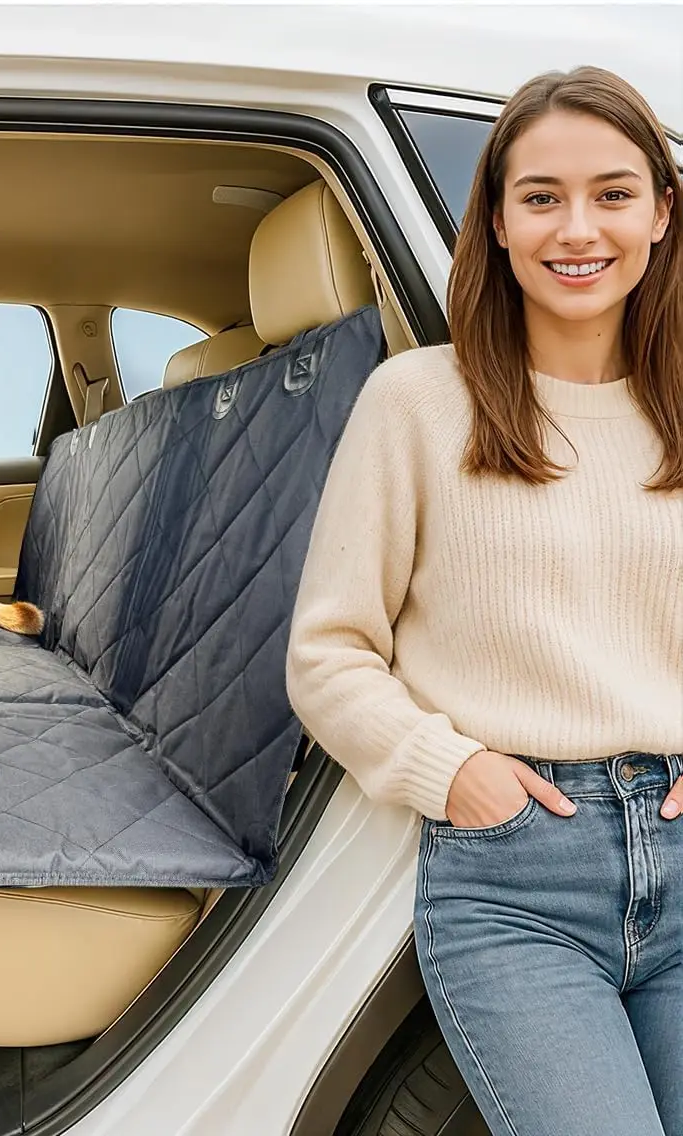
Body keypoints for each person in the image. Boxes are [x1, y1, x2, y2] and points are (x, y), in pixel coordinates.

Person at [286, 66, 683, 1136]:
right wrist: (450, 770)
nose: (578, 228)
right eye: (541, 196)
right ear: (498, 221)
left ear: (661, 212)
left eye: (612, 192)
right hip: (517, 878)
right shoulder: (419, 401)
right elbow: (328, 652)